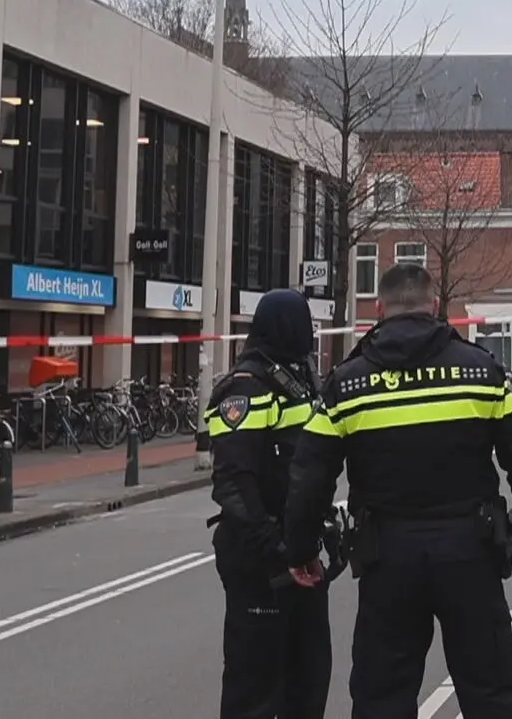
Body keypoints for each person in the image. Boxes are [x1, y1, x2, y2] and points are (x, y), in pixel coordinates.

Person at [283, 263, 512, 719]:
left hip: (387, 559)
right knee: (492, 693)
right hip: (469, 553)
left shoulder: (347, 384)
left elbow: (309, 474)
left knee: (382, 697)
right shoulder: (480, 371)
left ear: (377, 309)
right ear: (435, 306)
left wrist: (300, 547)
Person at [207, 287, 331, 719]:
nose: (310, 334)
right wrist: (276, 550)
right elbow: (234, 483)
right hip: (261, 560)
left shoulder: (301, 379)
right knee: (255, 687)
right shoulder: (244, 388)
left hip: (302, 551)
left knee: (310, 677)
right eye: (303, 324)